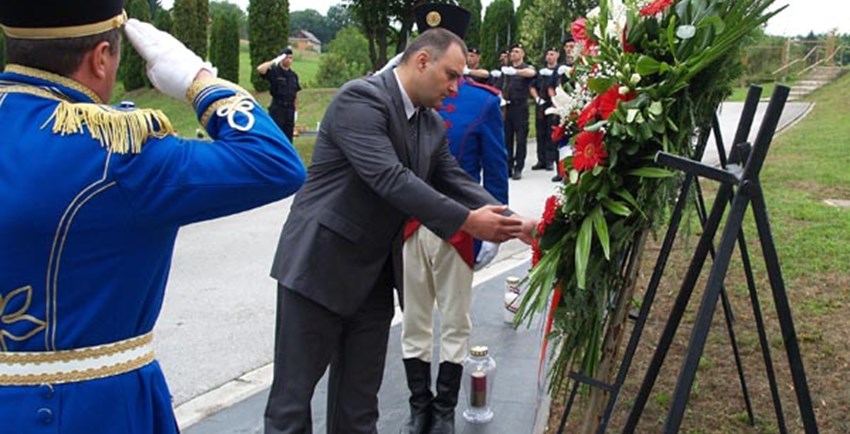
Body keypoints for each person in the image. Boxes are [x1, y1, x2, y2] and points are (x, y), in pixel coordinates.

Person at [0, 2, 306, 433]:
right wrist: (200, 81)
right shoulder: (119, 153)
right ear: (101, 57)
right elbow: (274, 164)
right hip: (93, 411)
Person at [264, 20, 536, 434]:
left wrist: (518, 224)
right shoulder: (361, 98)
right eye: (451, 75)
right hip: (319, 268)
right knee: (292, 404)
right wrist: (466, 223)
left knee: (358, 405)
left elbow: (456, 180)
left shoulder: (429, 124)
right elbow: (390, 178)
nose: (455, 88)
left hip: (372, 279)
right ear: (422, 60)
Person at [398, 5, 508, 434]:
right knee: (415, 321)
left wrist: (495, 230)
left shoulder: (481, 102)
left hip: (461, 230)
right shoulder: (399, 99)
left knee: (457, 322)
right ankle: (418, 407)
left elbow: (494, 170)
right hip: (408, 225)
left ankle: (444, 409)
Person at [500, 43, 536, 180]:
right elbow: (499, 85)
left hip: (520, 107)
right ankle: (508, 166)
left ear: (522, 54)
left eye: (517, 51)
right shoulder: (506, 70)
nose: (513, 54)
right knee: (507, 138)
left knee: (521, 139)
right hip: (507, 107)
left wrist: (515, 72)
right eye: (512, 52)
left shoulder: (525, 68)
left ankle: (518, 167)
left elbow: (532, 73)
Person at [257, 48, 301, 141]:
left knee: (288, 137)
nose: (289, 60)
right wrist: (274, 61)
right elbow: (260, 69)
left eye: (291, 58)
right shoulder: (275, 72)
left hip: (289, 110)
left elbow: (295, 95)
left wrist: (296, 111)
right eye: (286, 57)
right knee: (276, 135)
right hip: (278, 108)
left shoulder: (293, 75)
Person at [530, 47, 561, 172]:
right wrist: (537, 98)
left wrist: (556, 102)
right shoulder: (540, 72)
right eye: (548, 54)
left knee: (551, 133)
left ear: (557, 56)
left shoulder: (559, 71)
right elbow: (532, 87)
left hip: (553, 105)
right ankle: (541, 160)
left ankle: (550, 160)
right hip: (541, 104)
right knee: (540, 132)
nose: (549, 57)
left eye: (552, 54)